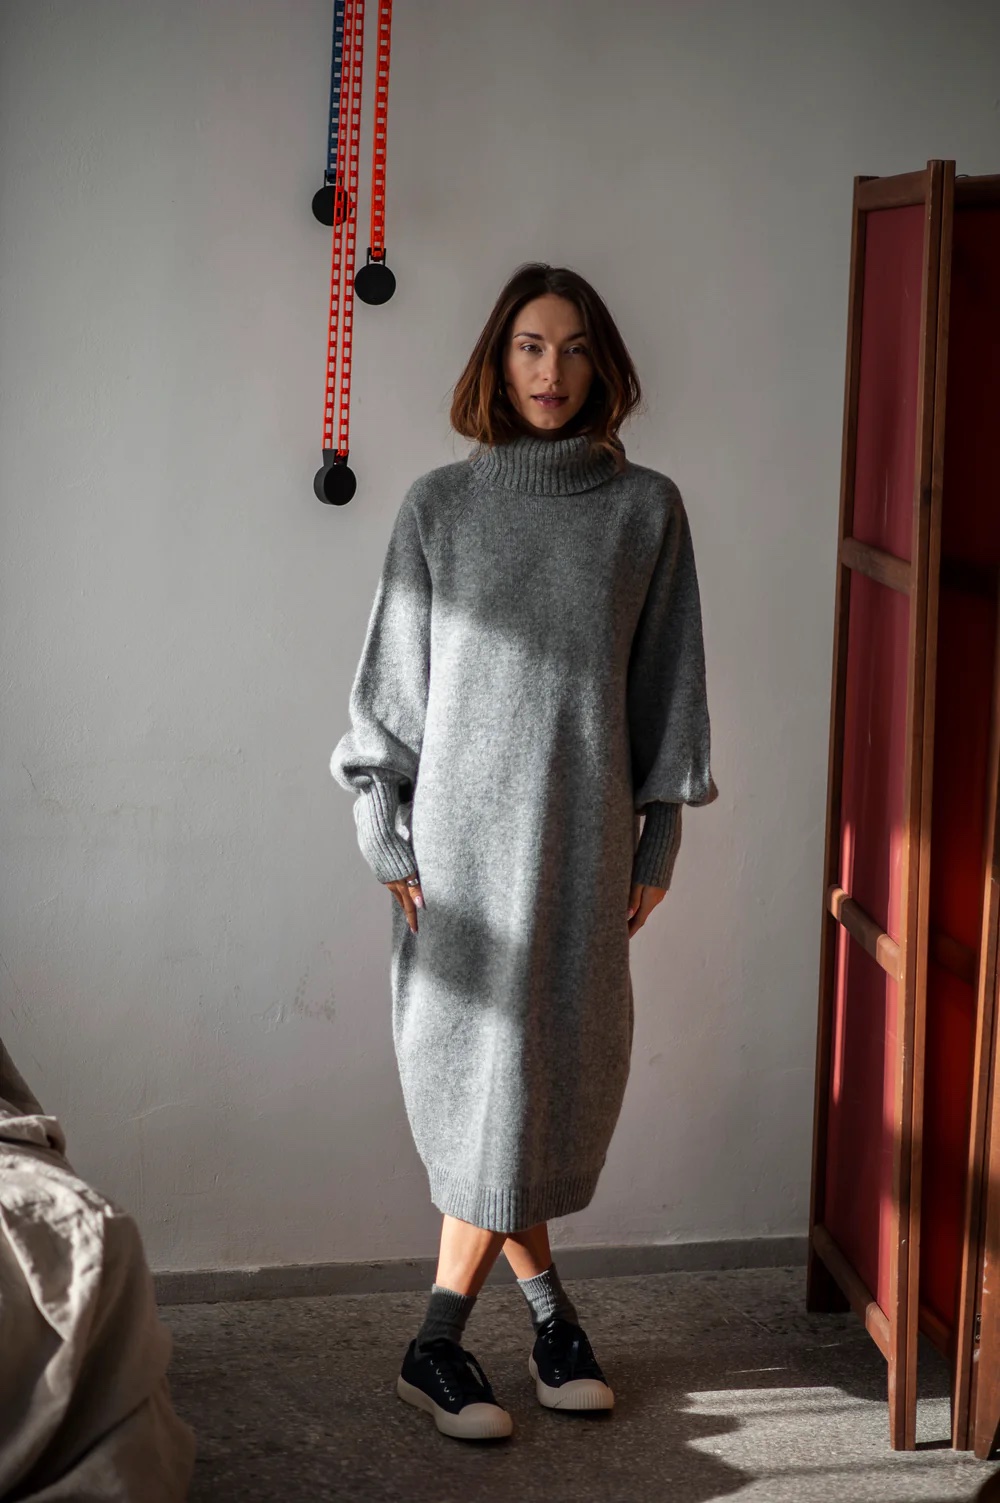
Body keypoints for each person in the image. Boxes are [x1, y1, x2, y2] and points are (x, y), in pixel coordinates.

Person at [330, 261, 717, 1442]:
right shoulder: (438, 508)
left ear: (605, 366)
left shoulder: (645, 511)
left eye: (575, 349)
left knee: (540, 1086)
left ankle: (501, 1330)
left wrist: (658, 836)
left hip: (584, 850)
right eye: (531, 347)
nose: (553, 372)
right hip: (454, 859)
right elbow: (389, 689)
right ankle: (471, 1337)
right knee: (486, 1092)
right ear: (498, 362)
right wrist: (382, 826)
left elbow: (668, 688)